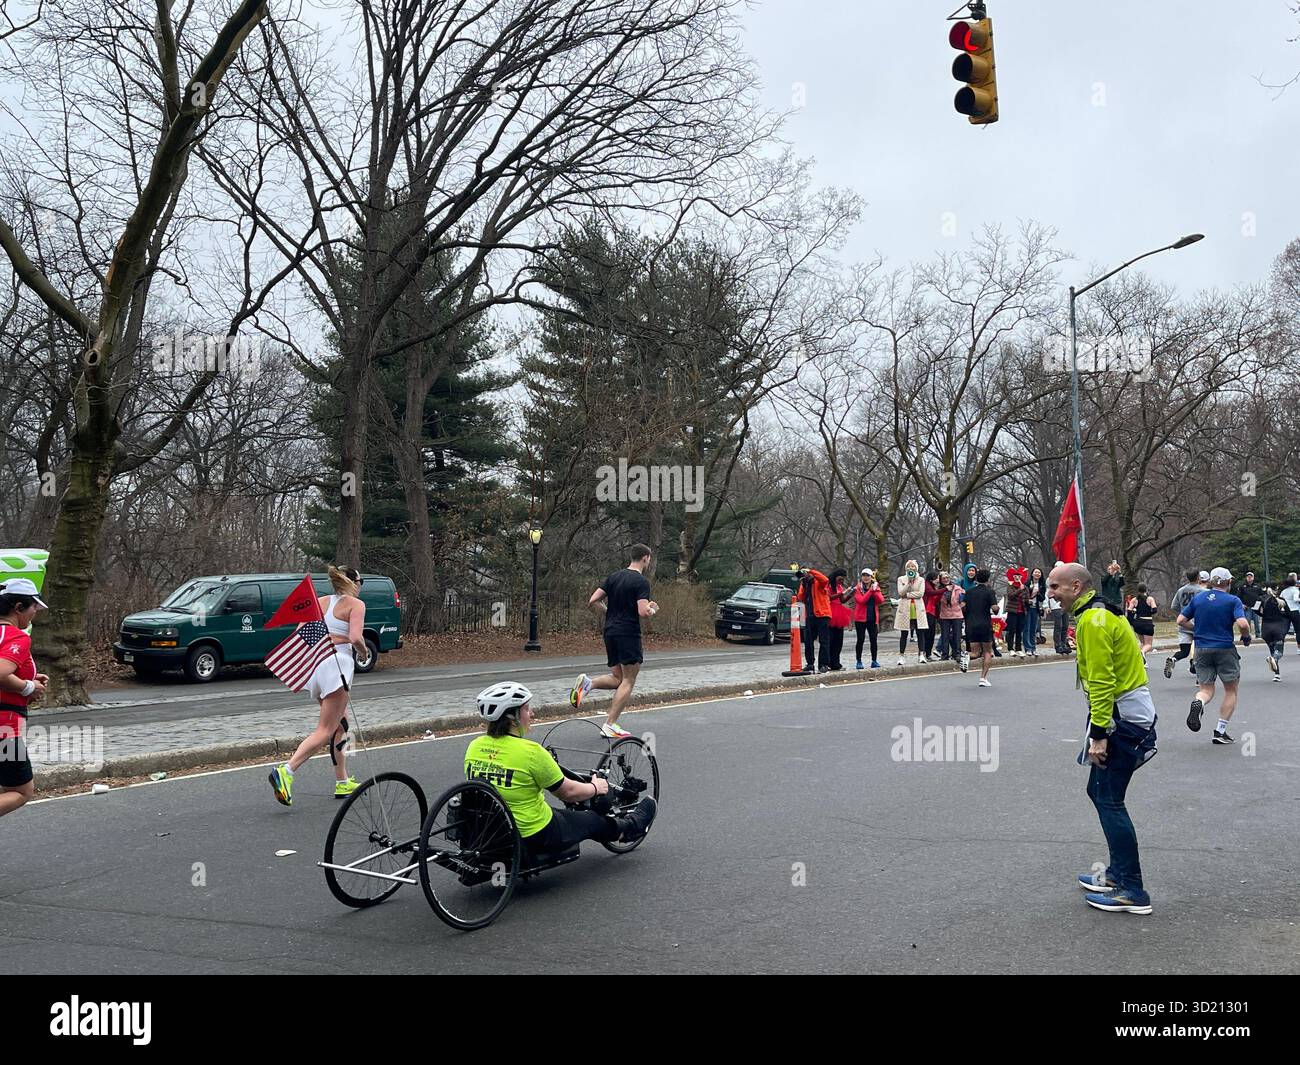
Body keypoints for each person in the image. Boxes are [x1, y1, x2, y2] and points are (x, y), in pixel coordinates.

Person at [1049, 562, 1157, 916]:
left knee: (1109, 798)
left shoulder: (1093, 621)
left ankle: (1132, 890)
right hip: (1124, 715)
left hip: (1123, 720)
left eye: (1055, 587)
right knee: (1099, 792)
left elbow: (1101, 681)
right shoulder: (1097, 612)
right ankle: (1116, 874)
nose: (1050, 593)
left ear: (1076, 586)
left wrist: (1099, 735)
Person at [466, 682, 656, 857]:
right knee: (592, 820)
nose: (531, 714)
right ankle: (629, 828)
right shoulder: (531, 752)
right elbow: (569, 793)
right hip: (535, 832)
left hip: (493, 829)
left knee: (554, 810)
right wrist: (596, 788)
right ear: (512, 718)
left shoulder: (474, 747)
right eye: (526, 709)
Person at [269, 565, 368, 806]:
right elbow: (356, 638)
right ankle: (286, 771)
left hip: (319, 667)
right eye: (361, 581)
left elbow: (302, 634)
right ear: (354, 583)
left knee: (341, 725)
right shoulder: (356, 605)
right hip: (338, 665)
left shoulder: (319, 602)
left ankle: (342, 781)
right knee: (326, 729)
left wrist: (332, 636)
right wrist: (363, 653)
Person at [570, 544, 659, 738]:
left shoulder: (614, 577)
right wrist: (653, 609)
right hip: (628, 632)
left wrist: (609, 612)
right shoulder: (641, 581)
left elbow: (593, 600)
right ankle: (610, 724)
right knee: (629, 679)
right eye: (649, 558)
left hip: (610, 631)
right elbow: (643, 612)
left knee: (618, 678)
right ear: (645, 558)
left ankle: (588, 684)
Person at [1177, 567, 1250, 745]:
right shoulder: (1233, 600)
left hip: (1202, 648)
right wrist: (1246, 635)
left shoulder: (1199, 598)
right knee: (1230, 690)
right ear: (1229, 582)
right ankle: (1220, 731)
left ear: (1211, 581)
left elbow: (1180, 620)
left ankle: (1199, 703)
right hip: (1224, 648)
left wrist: (1198, 629)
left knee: (1206, 690)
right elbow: (1242, 622)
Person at [0, 578, 49, 820]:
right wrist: (28, 687)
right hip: (4, 726)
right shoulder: (16, 636)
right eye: (33, 608)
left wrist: (28, 677)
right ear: (18, 607)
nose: (34, 614)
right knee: (20, 791)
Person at [1163, 570, 1205, 680]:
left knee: (1184, 651)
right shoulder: (1202, 591)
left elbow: (1174, 606)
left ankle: (1173, 660)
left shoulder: (1181, 590)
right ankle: (1199, 676)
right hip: (1198, 624)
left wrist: (1182, 612)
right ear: (1198, 577)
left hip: (1184, 624)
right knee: (1200, 651)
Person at [793, 565, 832, 673]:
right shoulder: (804, 584)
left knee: (823, 641)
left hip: (822, 615)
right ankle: (810, 663)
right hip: (809, 615)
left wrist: (811, 571)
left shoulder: (819, 582)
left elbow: (825, 579)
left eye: (805, 573)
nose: (804, 575)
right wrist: (803, 583)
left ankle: (823, 664)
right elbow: (800, 597)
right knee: (808, 641)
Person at [963, 568, 997, 686]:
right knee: (987, 652)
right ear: (988, 579)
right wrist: (995, 609)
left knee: (975, 652)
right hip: (985, 624)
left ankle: (966, 655)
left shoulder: (969, 592)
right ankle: (983, 678)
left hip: (971, 624)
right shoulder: (989, 592)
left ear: (976, 578)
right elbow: (995, 608)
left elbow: (963, 606)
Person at [1260, 581, 1295, 682]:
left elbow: (1255, 609)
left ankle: (1277, 674)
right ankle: (1274, 660)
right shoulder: (1281, 600)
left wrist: (1263, 615)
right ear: (1277, 589)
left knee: (1272, 650)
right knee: (1278, 652)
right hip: (1278, 629)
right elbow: (1289, 613)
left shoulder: (1262, 599)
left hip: (1266, 629)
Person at [895, 560, 928, 665]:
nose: (911, 568)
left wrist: (907, 595)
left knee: (920, 633)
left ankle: (922, 654)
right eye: (908, 566)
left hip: (917, 609)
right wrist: (908, 583)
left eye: (913, 566)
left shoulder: (921, 580)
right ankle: (901, 655)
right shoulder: (901, 579)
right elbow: (900, 592)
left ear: (916, 568)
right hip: (905, 608)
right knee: (904, 633)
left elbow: (920, 593)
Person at [851, 568, 884, 670]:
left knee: (873, 639)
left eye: (868, 575)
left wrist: (875, 591)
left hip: (872, 618)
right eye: (864, 575)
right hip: (860, 619)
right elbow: (861, 600)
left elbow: (881, 600)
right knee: (860, 640)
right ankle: (859, 661)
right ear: (861, 577)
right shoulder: (857, 589)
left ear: (871, 577)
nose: (866, 577)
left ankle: (874, 660)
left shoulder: (875, 587)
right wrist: (871, 591)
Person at [937, 572, 965, 669]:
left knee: (957, 635)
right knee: (945, 635)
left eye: (947, 577)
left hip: (957, 614)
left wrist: (959, 606)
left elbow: (963, 599)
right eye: (943, 578)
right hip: (945, 615)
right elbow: (937, 600)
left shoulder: (956, 588)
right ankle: (944, 654)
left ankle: (957, 653)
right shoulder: (939, 589)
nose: (946, 579)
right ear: (940, 579)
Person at [827, 568, 852, 671]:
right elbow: (828, 598)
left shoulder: (839, 586)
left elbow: (841, 600)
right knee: (830, 641)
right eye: (840, 579)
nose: (841, 582)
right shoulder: (828, 585)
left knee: (838, 641)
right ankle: (828, 662)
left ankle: (836, 663)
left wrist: (850, 594)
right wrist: (841, 593)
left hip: (839, 613)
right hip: (830, 612)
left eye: (842, 580)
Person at [1127, 583, 1157, 657]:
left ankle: (1142, 661)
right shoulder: (1150, 599)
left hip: (1137, 623)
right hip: (1147, 623)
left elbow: (1129, 611)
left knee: (1143, 643)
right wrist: (1148, 612)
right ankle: (1142, 652)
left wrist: (1132, 621)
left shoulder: (1134, 600)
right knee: (1148, 644)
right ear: (1145, 589)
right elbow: (1154, 610)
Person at [1005, 569, 1028, 656]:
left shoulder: (1025, 587)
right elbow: (1011, 596)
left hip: (1021, 611)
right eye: (1015, 576)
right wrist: (1019, 590)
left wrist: (1027, 601)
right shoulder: (1010, 586)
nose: (1017, 578)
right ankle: (1010, 648)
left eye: (1019, 576)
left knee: (1019, 630)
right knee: (1012, 630)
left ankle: (1018, 648)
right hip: (1012, 611)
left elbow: (1026, 598)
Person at [1025, 567, 1046, 656]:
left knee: (1034, 629)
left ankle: (1033, 647)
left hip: (1035, 608)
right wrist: (1030, 591)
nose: (1037, 574)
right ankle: (1028, 648)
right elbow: (1024, 595)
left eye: (1039, 572)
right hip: (1027, 608)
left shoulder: (1042, 585)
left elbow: (1042, 598)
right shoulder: (1027, 583)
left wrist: (1038, 593)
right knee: (1027, 628)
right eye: (1035, 572)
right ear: (1032, 573)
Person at [922, 569, 942, 661]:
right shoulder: (927, 585)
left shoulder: (934, 586)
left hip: (933, 612)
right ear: (931, 579)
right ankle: (925, 653)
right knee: (927, 634)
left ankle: (928, 653)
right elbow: (931, 593)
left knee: (931, 634)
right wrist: (944, 589)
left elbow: (935, 598)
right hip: (927, 611)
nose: (938, 580)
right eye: (937, 578)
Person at [1236, 572, 1262, 639]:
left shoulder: (1258, 586)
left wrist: (1260, 604)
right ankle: (1247, 635)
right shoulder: (1242, 586)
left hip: (1256, 607)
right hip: (1247, 607)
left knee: (1257, 622)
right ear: (1246, 578)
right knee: (1247, 622)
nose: (1249, 578)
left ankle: (1258, 635)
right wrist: (1242, 604)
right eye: (1248, 576)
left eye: (1251, 576)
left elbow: (1261, 595)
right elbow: (1239, 597)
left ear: (1253, 578)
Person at [1281, 574, 1300, 654]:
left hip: (1285, 612)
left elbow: (1280, 599)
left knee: (1284, 630)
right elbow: (1296, 599)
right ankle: (1299, 648)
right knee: (1298, 630)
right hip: (1295, 611)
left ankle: (1279, 646)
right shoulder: (1295, 590)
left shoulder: (1284, 591)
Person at [1048, 587, 1070, 654]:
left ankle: (1064, 645)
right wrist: (1046, 606)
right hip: (1055, 607)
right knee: (1058, 627)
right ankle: (1058, 646)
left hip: (1064, 606)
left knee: (1065, 626)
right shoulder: (1051, 582)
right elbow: (1047, 594)